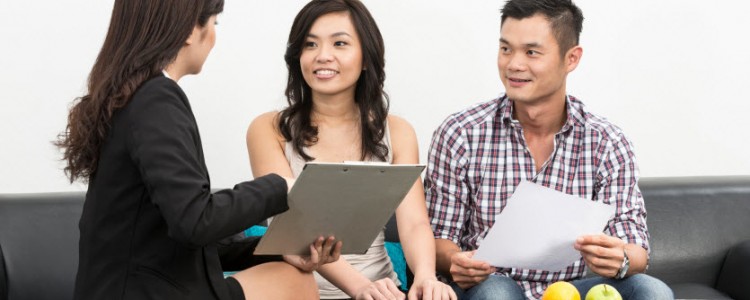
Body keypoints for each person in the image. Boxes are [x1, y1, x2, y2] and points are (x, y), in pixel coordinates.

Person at [55, 0, 341, 299]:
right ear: (192, 29)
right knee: (293, 281)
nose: (214, 36)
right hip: (145, 291)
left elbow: (185, 238)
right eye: (214, 23)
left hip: (134, 286)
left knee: (289, 272)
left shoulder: (130, 96)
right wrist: (280, 187)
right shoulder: (156, 98)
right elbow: (195, 221)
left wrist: (277, 252)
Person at [424, 0, 673, 299]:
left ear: (571, 59)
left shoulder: (607, 142)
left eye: (531, 52)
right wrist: (458, 261)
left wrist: (620, 258)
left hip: (569, 291)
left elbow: (636, 249)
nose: (513, 64)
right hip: (489, 285)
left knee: (651, 290)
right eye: (506, 49)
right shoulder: (460, 133)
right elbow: (439, 239)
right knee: (498, 293)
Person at [246, 0, 456, 299]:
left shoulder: (397, 131)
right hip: (299, 289)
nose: (323, 56)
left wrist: (424, 277)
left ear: (366, 57)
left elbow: (413, 223)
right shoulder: (269, 129)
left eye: (340, 43)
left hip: (383, 292)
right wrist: (360, 288)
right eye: (310, 44)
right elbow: (296, 226)